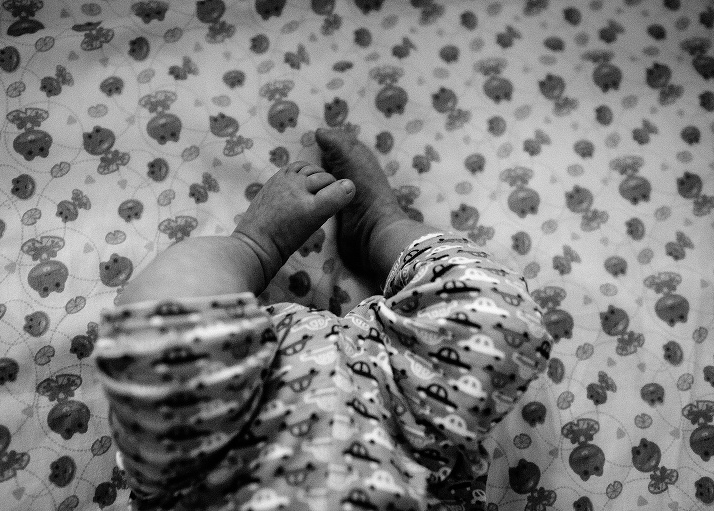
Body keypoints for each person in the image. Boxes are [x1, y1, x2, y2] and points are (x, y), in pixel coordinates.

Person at [94, 128, 552, 511]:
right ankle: (382, 228)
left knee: (156, 345)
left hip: (215, 456)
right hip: (414, 440)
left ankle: (255, 245)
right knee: (501, 322)